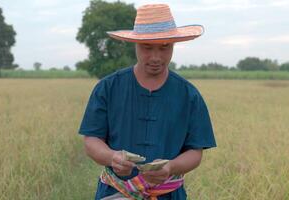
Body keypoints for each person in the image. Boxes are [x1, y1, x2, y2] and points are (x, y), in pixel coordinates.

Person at [79, 3, 216, 200]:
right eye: (147, 47)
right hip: (115, 192)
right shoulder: (108, 88)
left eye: (164, 47)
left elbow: (195, 151)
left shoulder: (189, 95)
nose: (155, 57)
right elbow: (91, 140)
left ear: (173, 45)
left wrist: (171, 167)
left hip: (169, 194)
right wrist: (113, 157)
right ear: (135, 44)